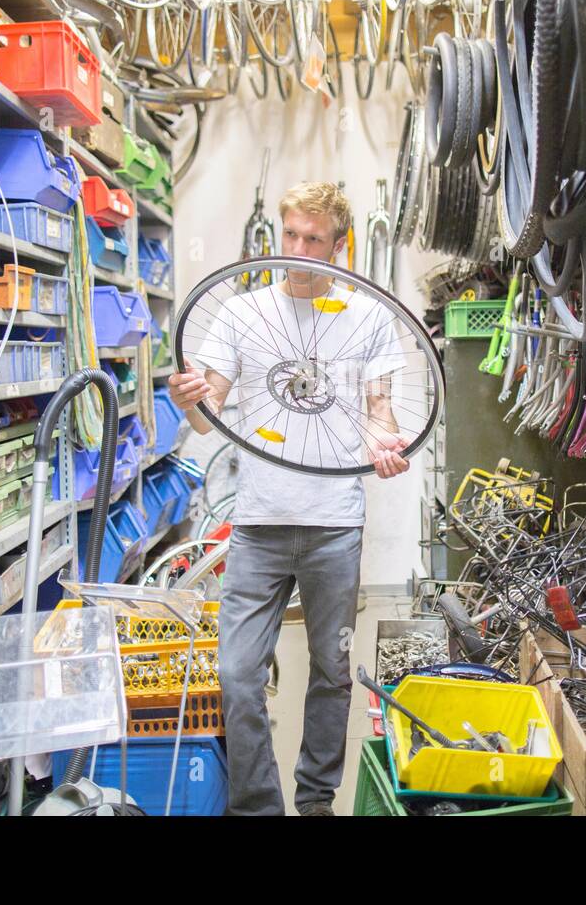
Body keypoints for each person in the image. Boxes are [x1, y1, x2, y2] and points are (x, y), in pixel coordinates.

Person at [168, 181, 411, 815]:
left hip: (334, 524)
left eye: (314, 240)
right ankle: (257, 806)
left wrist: (385, 446)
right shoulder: (243, 314)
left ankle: (314, 800)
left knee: (331, 673)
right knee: (237, 675)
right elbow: (207, 417)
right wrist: (189, 398)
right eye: (291, 236)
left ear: (340, 245)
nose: (299, 252)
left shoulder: (370, 318)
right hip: (258, 525)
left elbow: (378, 415)